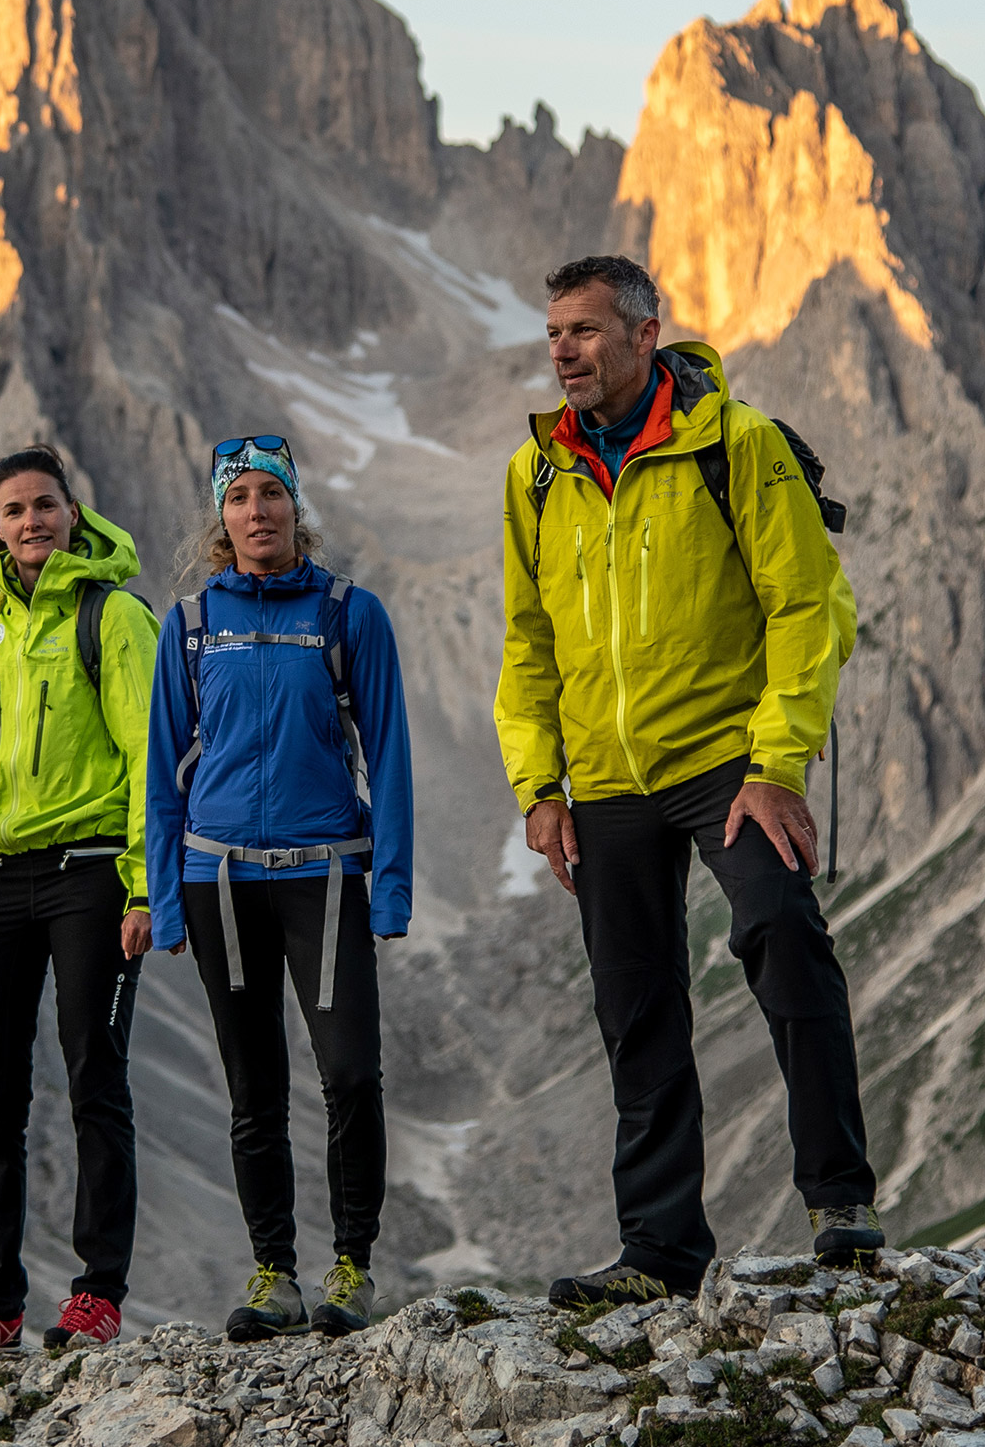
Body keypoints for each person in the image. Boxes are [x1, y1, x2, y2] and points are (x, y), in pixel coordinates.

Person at [495, 255, 877, 1308]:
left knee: (784, 934)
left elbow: (810, 608)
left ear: (644, 332)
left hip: (727, 763)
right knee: (636, 1003)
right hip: (607, 780)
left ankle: (838, 1195)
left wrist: (778, 761)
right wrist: (541, 785)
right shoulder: (537, 474)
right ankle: (660, 1248)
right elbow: (528, 645)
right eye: (554, 334)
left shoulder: (739, 445)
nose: (564, 351)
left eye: (583, 330)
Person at [145, 436, 414, 1341]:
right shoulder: (187, 625)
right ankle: (272, 1274)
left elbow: (392, 759)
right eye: (239, 498)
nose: (257, 511)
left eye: (271, 494)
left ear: (296, 508)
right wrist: (166, 893)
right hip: (218, 881)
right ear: (220, 519)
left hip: (325, 877)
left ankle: (352, 1265)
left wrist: (391, 889)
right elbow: (159, 775)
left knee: (348, 1076)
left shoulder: (348, 615)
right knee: (253, 1090)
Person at [0, 445, 159, 1354]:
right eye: (13, 511)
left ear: (72, 513)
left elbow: (149, 761)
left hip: (90, 875)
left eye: (45, 505)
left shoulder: (115, 616)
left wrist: (141, 882)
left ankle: (97, 1294)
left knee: (95, 1076)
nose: (31, 522)